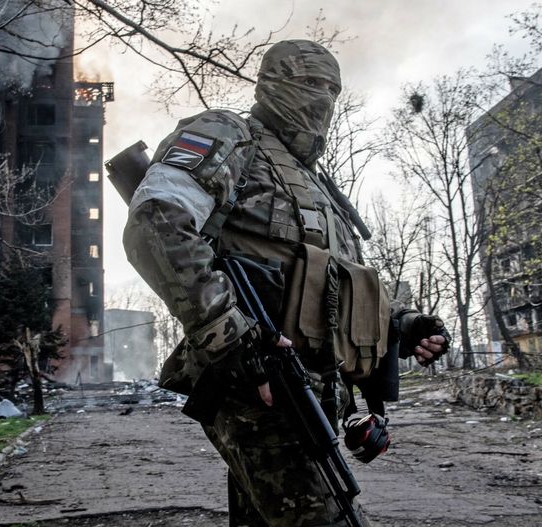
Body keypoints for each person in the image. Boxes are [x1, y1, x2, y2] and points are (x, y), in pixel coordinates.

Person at [124, 39, 448, 527]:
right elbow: (156, 223)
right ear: (270, 84)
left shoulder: (317, 187)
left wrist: (400, 326)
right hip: (256, 383)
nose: (322, 99)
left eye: (331, 89)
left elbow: (332, 290)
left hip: (310, 389)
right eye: (308, 84)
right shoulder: (230, 135)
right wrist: (232, 338)